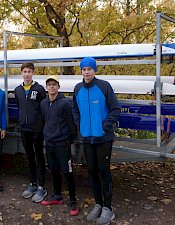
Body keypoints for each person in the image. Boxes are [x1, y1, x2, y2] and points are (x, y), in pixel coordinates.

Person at [72, 57, 121, 225]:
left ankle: (108, 208)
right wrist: (80, 125)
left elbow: (115, 109)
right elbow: (75, 110)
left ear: (94, 70)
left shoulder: (103, 86)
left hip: (103, 138)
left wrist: (105, 125)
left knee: (103, 171)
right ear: (81, 71)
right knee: (91, 171)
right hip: (87, 138)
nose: (86, 71)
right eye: (84, 69)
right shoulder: (78, 88)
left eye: (89, 69)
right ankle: (98, 204)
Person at [39, 76, 79, 216]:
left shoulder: (64, 103)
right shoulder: (44, 103)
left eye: (54, 84)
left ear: (58, 87)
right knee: (53, 169)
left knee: (67, 172)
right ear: (46, 87)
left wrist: (70, 140)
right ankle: (57, 196)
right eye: (49, 85)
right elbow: (44, 121)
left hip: (62, 143)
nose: (52, 87)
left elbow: (71, 122)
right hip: (49, 143)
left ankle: (73, 201)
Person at [14, 62, 47, 203]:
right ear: (21, 73)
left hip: (37, 129)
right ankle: (33, 183)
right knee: (29, 157)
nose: (26, 74)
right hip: (24, 129)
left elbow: (44, 107)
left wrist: (41, 124)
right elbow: (19, 105)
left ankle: (42, 186)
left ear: (33, 73)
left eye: (29, 71)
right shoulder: (18, 90)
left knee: (39, 157)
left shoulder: (39, 89)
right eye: (24, 71)